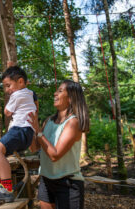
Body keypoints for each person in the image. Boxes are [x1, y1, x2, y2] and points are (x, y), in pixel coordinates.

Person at [0, 66, 37, 202]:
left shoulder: (17, 94)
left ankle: (5, 189)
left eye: (8, 85)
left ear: (21, 82)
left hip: (20, 129)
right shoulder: (30, 93)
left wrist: (10, 99)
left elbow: (7, 112)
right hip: (25, 133)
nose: (7, 90)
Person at [28, 80, 89, 209]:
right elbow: (34, 148)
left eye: (60, 91)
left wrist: (39, 132)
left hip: (68, 183)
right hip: (46, 180)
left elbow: (55, 155)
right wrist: (30, 128)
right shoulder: (48, 121)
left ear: (71, 98)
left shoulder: (73, 122)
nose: (55, 93)